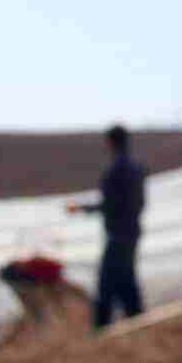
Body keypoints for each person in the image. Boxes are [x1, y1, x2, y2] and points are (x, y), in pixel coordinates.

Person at [67, 125, 147, 330]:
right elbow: (139, 202)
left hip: (118, 234)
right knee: (126, 280)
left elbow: (109, 204)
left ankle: (102, 330)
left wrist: (81, 208)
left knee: (107, 283)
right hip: (132, 231)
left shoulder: (115, 171)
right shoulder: (136, 169)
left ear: (110, 142)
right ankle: (137, 321)